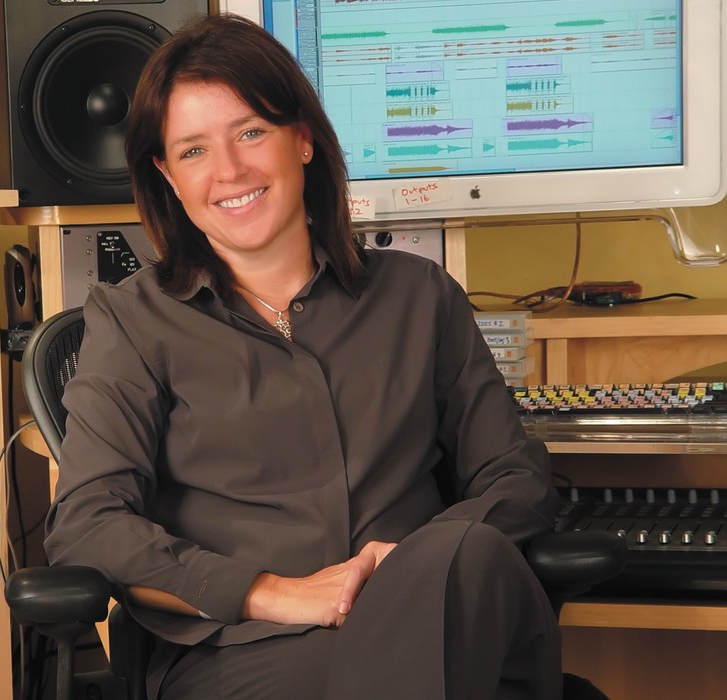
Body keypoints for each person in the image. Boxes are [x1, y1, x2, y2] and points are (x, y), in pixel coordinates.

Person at [44, 12, 562, 700]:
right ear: (167, 175)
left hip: (442, 617)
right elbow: (88, 526)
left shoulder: (421, 296)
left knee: (465, 558)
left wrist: (413, 566)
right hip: (248, 650)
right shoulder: (133, 322)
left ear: (303, 139)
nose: (229, 170)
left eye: (251, 132)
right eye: (193, 151)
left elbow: (514, 477)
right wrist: (272, 592)